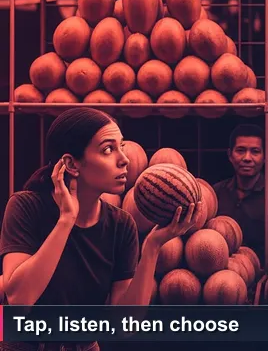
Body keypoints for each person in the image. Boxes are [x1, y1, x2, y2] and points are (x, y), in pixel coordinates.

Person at [0, 107, 199, 351]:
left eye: (121, 147)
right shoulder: (26, 206)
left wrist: (152, 247)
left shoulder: (121, 225)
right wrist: (66, 221)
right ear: (71, 164)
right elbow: (19, 300)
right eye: (108, 149)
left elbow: (124, 326)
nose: (124, 159)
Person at [213, 124, 268, 265]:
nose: (247, 158)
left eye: (255, 151)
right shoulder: (215, 194)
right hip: (220, 276)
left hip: (264, 278)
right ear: (230, 155)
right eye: (240, 150)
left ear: (265, 157)